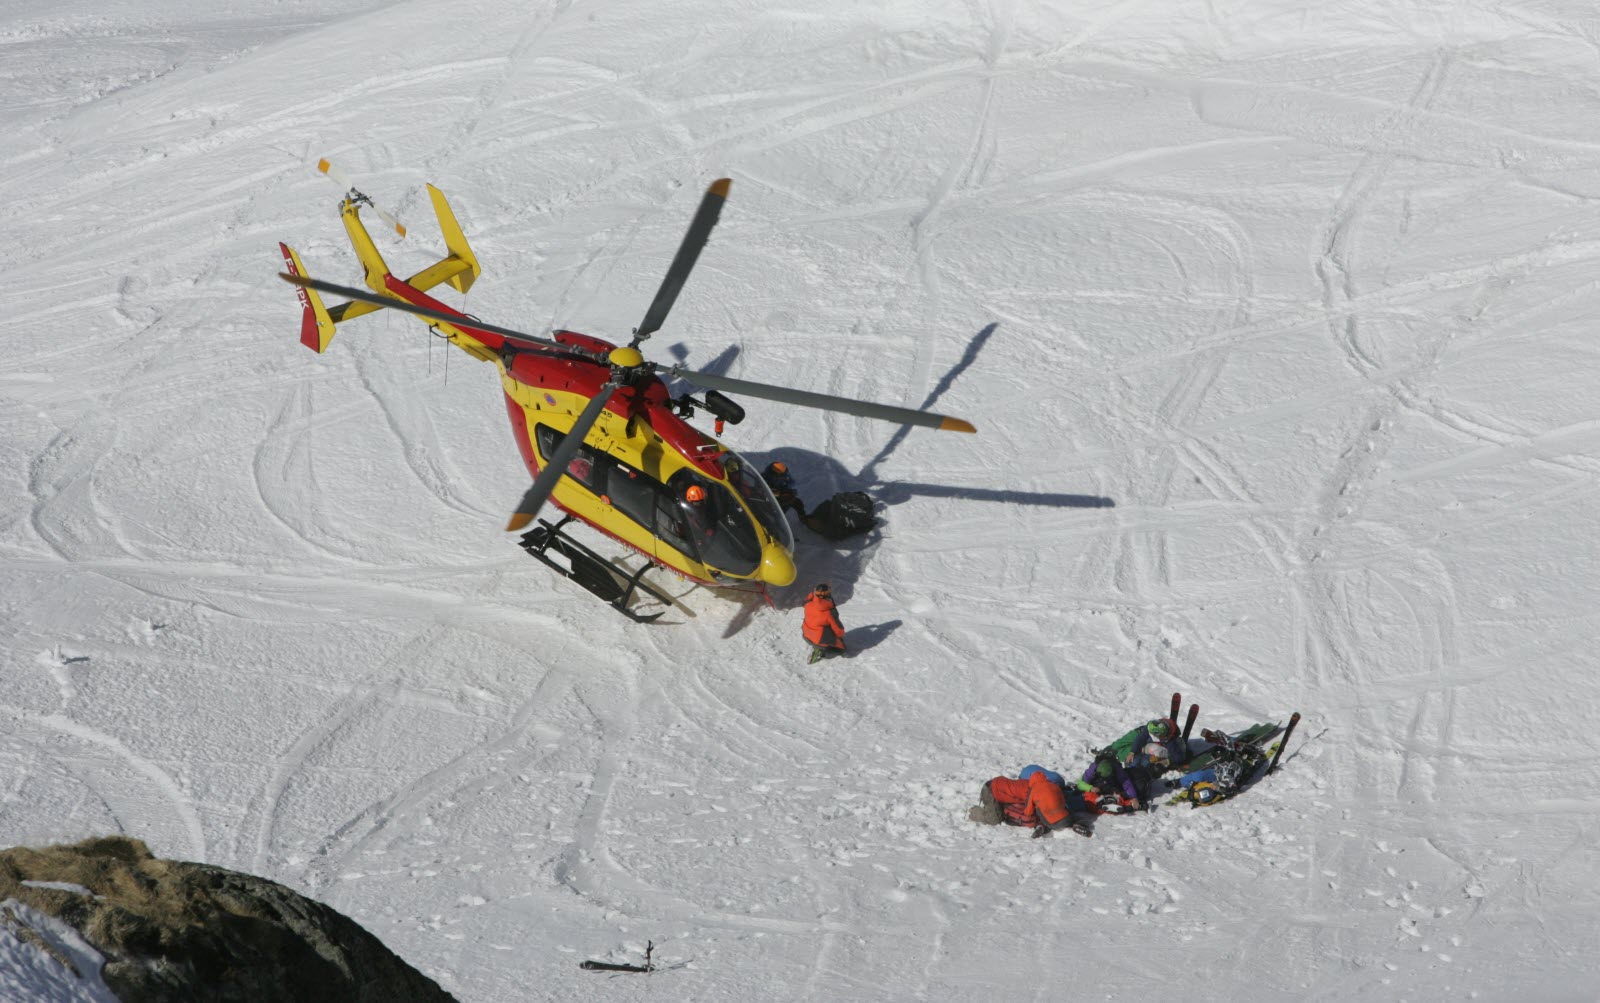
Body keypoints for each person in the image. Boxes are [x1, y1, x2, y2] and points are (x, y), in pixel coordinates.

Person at [803, 584, 846, 664]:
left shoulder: (808, 604)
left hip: (806, 635)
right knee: (842, 649)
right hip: (819, 639)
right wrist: (839, 636)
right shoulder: (828, 611)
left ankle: (818, 645)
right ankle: (822, 651)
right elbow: (839, 631)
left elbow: (807, 599)